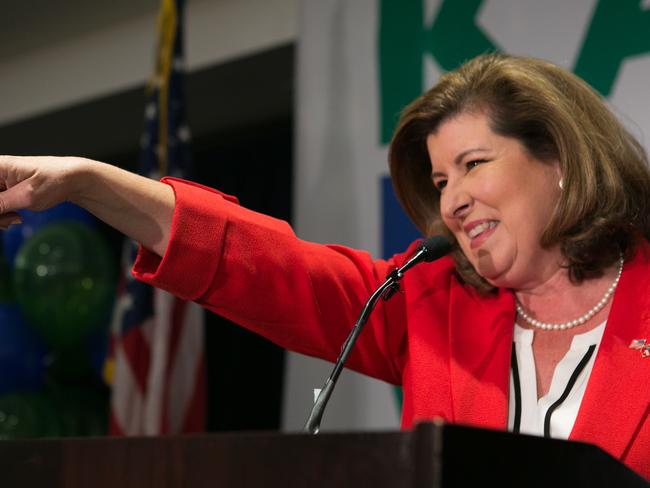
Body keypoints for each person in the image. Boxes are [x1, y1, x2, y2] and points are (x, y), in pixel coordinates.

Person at [0, 53, 648, 479]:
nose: (451, 200)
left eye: (474, 165)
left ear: (559, 158)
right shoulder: (429, 305)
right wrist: (88, 184)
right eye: (441, 179)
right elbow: (269, 270)